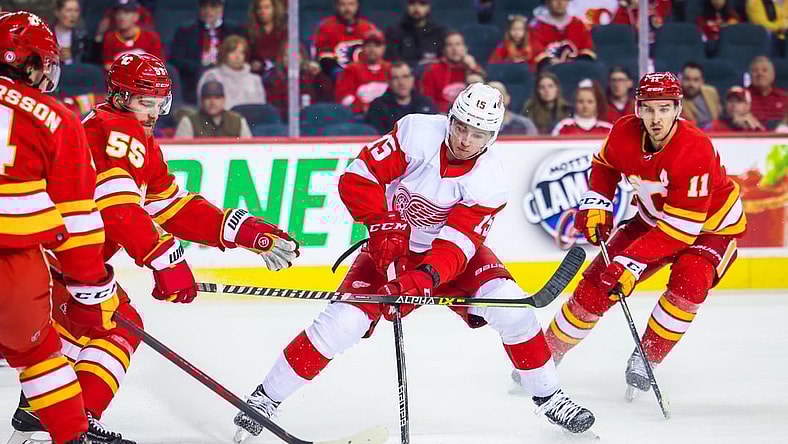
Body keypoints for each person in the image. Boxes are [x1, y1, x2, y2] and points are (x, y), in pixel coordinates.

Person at [231, 83, 596, 444]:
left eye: (479, 133)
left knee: (515, 311)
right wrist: (379, 220)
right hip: (389, 245)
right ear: (450, 118)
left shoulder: (490, 181)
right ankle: (265, 398)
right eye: (461, 127)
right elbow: (357, 176)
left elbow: (459, 243)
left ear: (492, 136)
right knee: (341, 324)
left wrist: (425, 278)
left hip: (450, 257)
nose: (466, 140)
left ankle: (549, 397)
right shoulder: (416, 132)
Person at [8, 53, 301, 444]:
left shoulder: (125, 133)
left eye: (159, 102)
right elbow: (119, 212)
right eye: (146, 102)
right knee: (115, 326)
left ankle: (37, 412)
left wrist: (243, 230)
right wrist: (167, 260)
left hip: (55, 259)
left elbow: (169, 205)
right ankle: (78, 423)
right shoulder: (114, 131)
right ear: (121, 97)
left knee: (78, 334)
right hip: (58, 262)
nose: (153, 113)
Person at [544, 72, 747, 398]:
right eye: (649, 109)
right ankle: (546, 353)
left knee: (689, 285)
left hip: (710, 229)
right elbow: (605, 164)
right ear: (638, 108)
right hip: (653, 220)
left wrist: (630, 262)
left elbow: (681, 232)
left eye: (665, 109)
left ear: (678, 109)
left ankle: (648, 356)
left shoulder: (695, 149)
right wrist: (599, 199)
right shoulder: (624, 131)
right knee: (599, 282)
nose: (656, 119)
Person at [0, 11, 116, 444]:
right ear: (28, 62)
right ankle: (72, 436)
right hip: (13, 265)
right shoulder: (58, 118)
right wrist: (90, 290)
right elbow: (79, 223)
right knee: (40, 354)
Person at [168, 0, 244, 104]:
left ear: (221, 8)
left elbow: (242, 55)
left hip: (228, 74)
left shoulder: (234, 30)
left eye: (213, 6)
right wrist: (201, 68)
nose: (208, 10)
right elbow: (176, 59)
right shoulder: (186, 30)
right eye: (204, 7)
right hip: (196, 76)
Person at [421, 31, 486, 113]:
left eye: (458, 44)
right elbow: (427, 100)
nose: (455, 49)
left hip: (469, 114)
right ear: (444, 50)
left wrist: (473, 67)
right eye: (450, 45)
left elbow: (486, 94)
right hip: (442, 114)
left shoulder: (473, 67)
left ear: (465, 48)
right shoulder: (433, 70)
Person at [197, 35, 267, 110]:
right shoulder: (212, 76)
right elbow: (205, 106)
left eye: (241, 53)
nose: (237, 56)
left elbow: (261, 108)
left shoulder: (255, 79)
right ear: (225, 54)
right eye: (233, 52)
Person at [365, 61, 437, 134]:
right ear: (389, 82)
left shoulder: (426, 102)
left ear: (412, 79)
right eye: (396, 78)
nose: (401, 82)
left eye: (405, 76)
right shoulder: (378, 106)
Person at [314, 0, 378, 78]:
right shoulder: (326, 27)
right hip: (336, 78)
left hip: (364, 77)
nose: (347, 9)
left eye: (351, 4)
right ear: (336, 6)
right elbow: (324, 57)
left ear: (357, 5)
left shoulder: (368, 28)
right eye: (343, 4)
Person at [528, 0, 596, 71]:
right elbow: (536, 54)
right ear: (547, 2)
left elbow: (587, 50)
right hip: (548, 73)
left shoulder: (578, 24)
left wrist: (573, 63)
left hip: (576, 72)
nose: (560, 2)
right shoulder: (537, 26)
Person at [335, 29, 391, 113]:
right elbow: (344, 97)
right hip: (360, 116)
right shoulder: (351, 69)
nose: (372, 49)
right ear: (362, 48)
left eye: (376, 45)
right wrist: (362, 107)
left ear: (384, 48)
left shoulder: (390, 69)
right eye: (368, 45)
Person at [175, 80, 253, 138]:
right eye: (208, 98)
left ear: (224, 100)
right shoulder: (188, 121)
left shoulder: (238, 120)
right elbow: (180, 153)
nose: (212, 102)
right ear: (202, 101)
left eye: (217, 98)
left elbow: (249, 148)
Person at [100, 0, 163, 69]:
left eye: (127, 13)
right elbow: (107, 65)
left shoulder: (151, 36)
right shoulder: (110, 37)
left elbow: (158, 65)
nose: (122, 17)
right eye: (118, 13)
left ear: (136, 16)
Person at [384, 0, 447, 66]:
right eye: (412, 3)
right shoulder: (394, 33)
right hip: (405, 74)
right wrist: (418, 65)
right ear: (407, 6)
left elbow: (445, 61)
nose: (416, 7)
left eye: (422, 3)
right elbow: (393, 62)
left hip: (432, 74)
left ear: (428, 7)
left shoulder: (439, 32)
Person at [246, 0, 287, 78]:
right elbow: (247, 55)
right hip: (258, 73)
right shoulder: (249, 31)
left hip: (281, 72)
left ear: (274, 9)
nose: (263, 11)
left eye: (267, 7)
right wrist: (253, 63)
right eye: (259, 8)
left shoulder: (284, 30)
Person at [51, 0, 95, 65]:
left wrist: (74, 54)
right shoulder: (48, 34)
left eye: (76, 11)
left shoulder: (83, 36)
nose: (73, 15)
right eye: (69, 10)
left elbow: (90, 62)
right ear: (57, 12)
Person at [679, 62, 722, 129]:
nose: (691, 84)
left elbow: (719, 115)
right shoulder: (677, 100)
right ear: (681, 80)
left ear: (702, 81)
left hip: (717, 134)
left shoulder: (711, 92)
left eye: (695, 80)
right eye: (687, 79)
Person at [747, 56, 788, 124]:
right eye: (755, 71)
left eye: (764, 70)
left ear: (772, 75)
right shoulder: (741, 97)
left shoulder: (785, 98)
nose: (760, 74)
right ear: (750, 75)